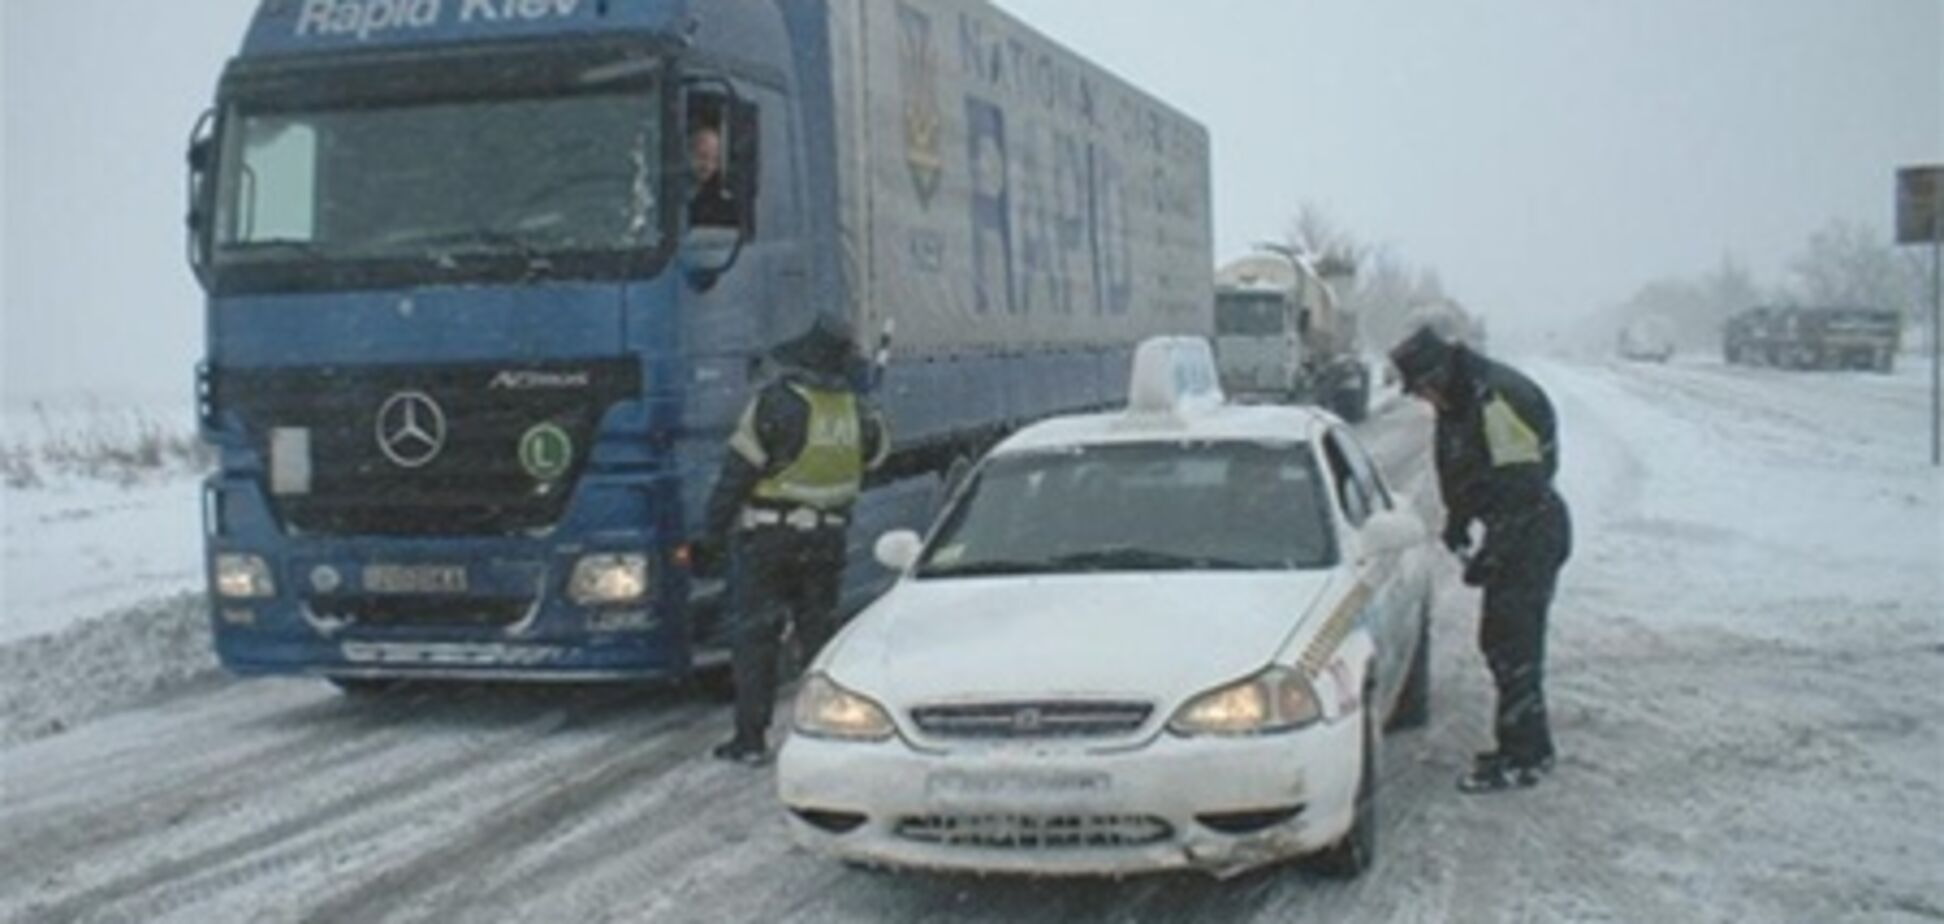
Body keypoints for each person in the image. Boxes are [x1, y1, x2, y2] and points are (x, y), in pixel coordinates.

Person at [1388, 326, 1573, 793]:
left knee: (1514, 645)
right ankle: (1521, 743)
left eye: (1422, 389)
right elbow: (1463, 467)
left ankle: (1526, 756)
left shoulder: (1495, 402)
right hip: (1514, 529)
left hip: (1532, 533)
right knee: (1502, 642)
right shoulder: (1460, 398)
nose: (1423, 400)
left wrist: (1495, 553)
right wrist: (1457, 518)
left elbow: (1522, 488)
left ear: (1437, 373)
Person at [698, 314, 889, 765]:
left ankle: (750, 739)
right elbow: (876, 457)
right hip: (827, 542)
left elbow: (735, 476)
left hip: (769, 541)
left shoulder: (777, 404)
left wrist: (711, 535)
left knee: (756, 639)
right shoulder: (856, 410)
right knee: (820, 639)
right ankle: (829, 734)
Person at [687, 123, 739, 228]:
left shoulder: (723, 205)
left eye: (715, 159)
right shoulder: (667, 194)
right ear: (688, 154)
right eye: (702, 156)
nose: (708, 165)